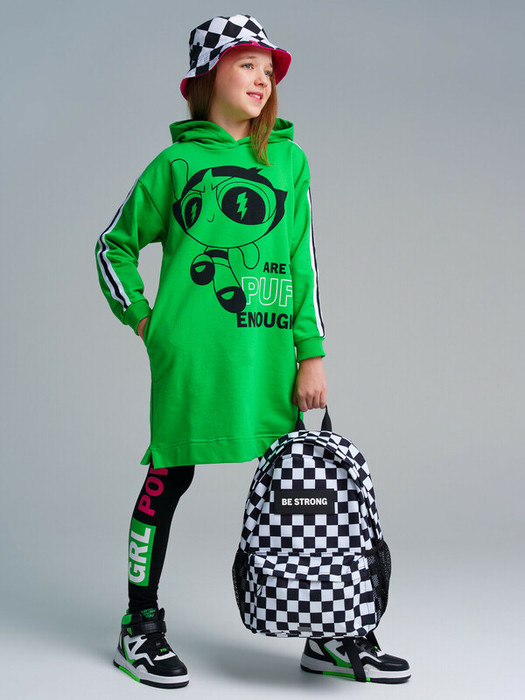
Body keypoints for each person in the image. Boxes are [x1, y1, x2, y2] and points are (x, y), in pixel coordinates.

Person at [96, 13, 409, 689]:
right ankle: (138, 625)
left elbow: (302, 262)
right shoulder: (175, 165)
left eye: (269, 70)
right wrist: (145, 321)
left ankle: (331, 632)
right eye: (247, 65)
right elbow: (111, 246)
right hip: (194, 361)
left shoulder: (289, 161)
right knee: (167, 480)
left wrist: (311, 352)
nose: (262, 79)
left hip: (268, 358)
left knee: (306, 487)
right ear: (207, 78)